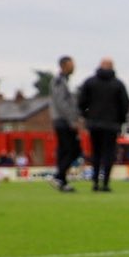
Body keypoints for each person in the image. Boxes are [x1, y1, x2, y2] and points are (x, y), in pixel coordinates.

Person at [76, 57, 129, 191]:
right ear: (112, 67)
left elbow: (82, 102)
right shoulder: (118, 84)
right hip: (112, 125)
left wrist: (87, 116)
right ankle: (105, 183)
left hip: (94, 124)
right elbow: (125, 104)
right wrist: (121, 120)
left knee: (96, 153)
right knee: (108, 154)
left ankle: (95, 182)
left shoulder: (90, 83)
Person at [49, 55, 81, 192]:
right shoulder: (59, 81)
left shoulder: (64, 81)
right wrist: (72, 120)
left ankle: (61, 180)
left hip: (63, 120)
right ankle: (58, 176)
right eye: (71, 64)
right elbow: (61, 103)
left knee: (65, 151)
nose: (74, 67)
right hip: (63, 121)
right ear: (64, 65)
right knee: (72, 150)